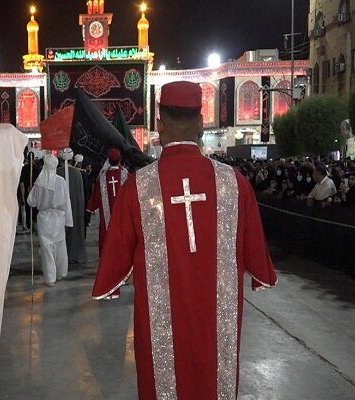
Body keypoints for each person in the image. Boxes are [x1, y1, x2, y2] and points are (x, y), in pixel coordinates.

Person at [92, 81, 277, 400]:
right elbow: (256, 253)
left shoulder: (138, 187)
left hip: (159, 322)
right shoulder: (234, 184)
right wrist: (261, 275)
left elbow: (116, 255)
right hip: (216, 322)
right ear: (201, 122)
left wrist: (110, 283)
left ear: (159, 125)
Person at [27, 155, 73, 286]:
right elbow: (66, 202)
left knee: (46, 250)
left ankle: (50, 278)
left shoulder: (39, 183)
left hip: (44, 219)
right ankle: (60, 273)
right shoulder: (61, 181)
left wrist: (31, 191)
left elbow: (31, 202)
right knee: (60, 246)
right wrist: (68, 221)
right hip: (58, 218)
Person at [86, 148, 128, 255]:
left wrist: (90, 207)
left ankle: (107, 260)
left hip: (106, 217)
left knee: (107, 235)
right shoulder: (125, 174)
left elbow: (96, 195)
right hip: (122, 214)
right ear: (119, 159)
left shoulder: (103, 176)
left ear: (108, 160)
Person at [57, 148, 87, 263]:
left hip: (60, 208)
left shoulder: (57, 172)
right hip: (75, 207)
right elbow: (81, 194)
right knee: (74, 229)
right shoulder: (77, 173)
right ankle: (74, 254)